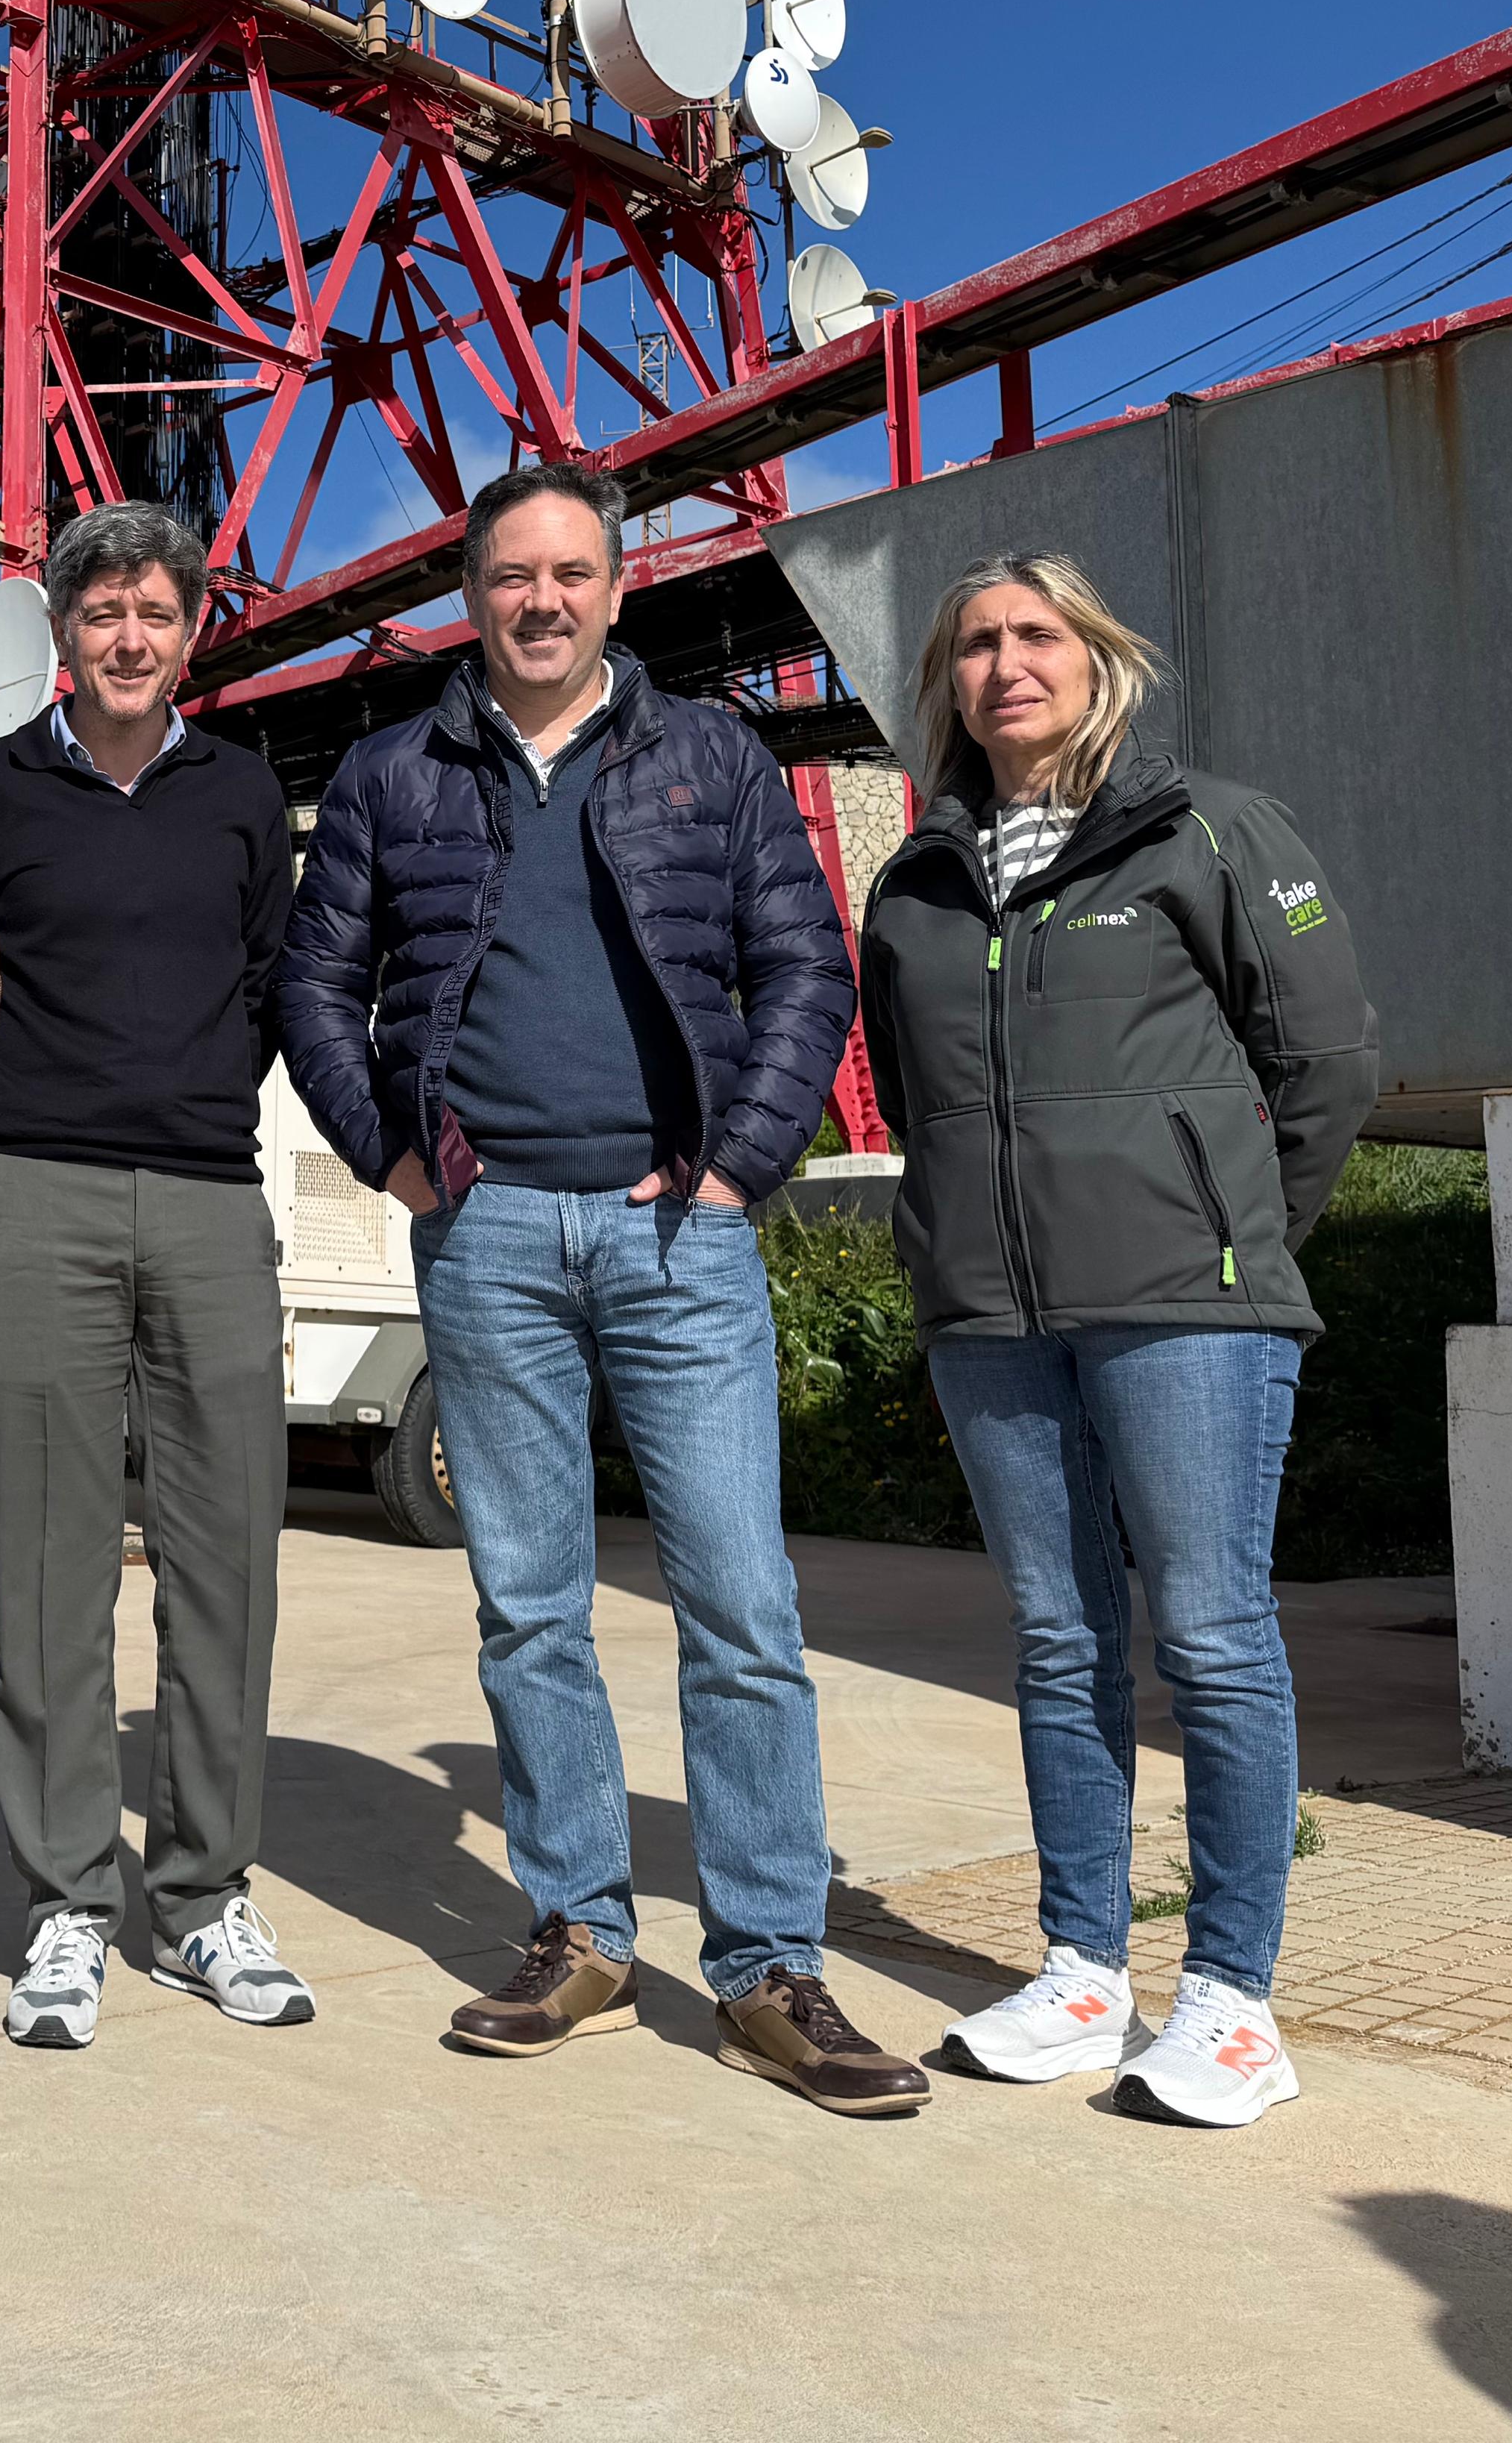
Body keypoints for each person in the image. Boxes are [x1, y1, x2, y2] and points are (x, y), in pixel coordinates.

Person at [278, 460, 929, 2119]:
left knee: (739, 1608)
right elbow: (315, 980)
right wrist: (400, 1165)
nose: (542, 601)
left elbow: (803, 965)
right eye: (512, 577)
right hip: (486, 1238)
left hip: (678, 1239)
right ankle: (576, 1925)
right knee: (530, 1607)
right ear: (472, 596)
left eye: (571, 573)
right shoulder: (389, 772)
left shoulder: (706, 753)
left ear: (616, 590)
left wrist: (736, 1168)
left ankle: (770, 1962)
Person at [861, 553, 1375, 2129]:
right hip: (992, 1316)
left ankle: (1230, 2001)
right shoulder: (915, 882)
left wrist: (1228, 1235)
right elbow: (913, 1092)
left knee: (1210, 1638)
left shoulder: (1206, 829)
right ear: (948, 683)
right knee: (1058, 1642)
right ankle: (1084, 1970)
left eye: (1037, 636)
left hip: (1180, 1305)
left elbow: (1330, 1061)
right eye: (975, 646)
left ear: (1097, 662)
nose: (1006, 665)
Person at [0, 499, 309, 2050]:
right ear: (63, 630)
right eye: (99, 612)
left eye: (154, 614)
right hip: (35, 1194)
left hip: (209, 1200)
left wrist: (182, 1095)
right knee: (47, 1564)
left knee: (226, 1557)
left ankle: (204, 1895)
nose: (125, 638)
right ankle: (63, 1903)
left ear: (189, 631)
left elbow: (269, 979)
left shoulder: (241, 792)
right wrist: (27, 1116)